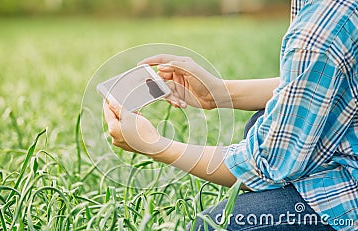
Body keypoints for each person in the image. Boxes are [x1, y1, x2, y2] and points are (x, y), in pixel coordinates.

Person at [103, 0, 358, 230]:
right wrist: (219, 93)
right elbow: (317, 84)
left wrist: (153, 144)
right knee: (260, 123)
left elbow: (267, 165)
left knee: (214, 226)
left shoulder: (326, 23)